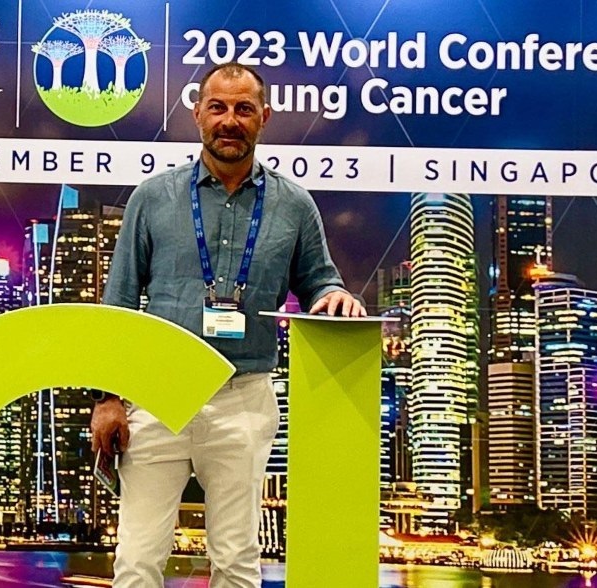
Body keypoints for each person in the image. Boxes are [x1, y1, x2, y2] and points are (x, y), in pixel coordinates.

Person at [90, 62, 366, 588]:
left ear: (264, 117)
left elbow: (320, 282)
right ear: (197, 113)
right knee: (137, 560)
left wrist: (334, 295)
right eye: (217, 107)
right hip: (158, 394)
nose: (229, 120)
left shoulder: (294, 204)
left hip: (244, 398)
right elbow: (118, 300)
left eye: (243, 109)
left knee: (237, 561)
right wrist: (107, 398)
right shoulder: (153, 197)